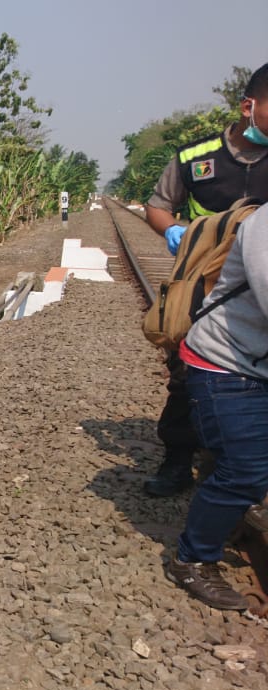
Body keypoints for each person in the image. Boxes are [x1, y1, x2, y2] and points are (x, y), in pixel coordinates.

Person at [141, 63, 268, 498]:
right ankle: (177, 461)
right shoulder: (197, 158)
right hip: (202, 285)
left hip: (258, 289)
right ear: (248, 106)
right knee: (185, 374)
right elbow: (158, 206)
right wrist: (171, 231)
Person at [162, 202, 268, 611]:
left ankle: (242, 504)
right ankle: (193, 559)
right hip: (227, 362)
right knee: (244, 468)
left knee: (248, 463)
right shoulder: (264, 225)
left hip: (258, 362)